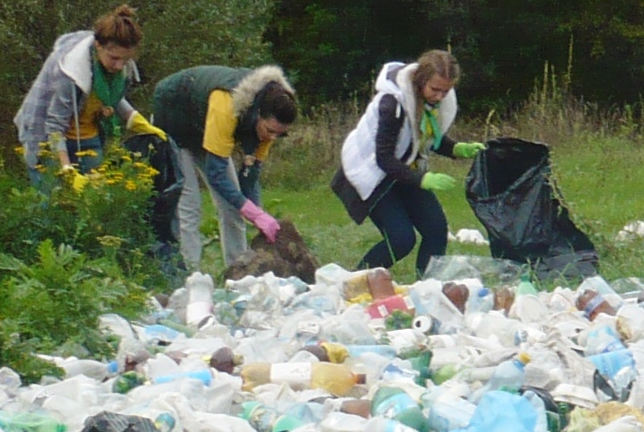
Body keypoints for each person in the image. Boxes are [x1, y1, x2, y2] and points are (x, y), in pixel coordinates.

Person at [331, 49, 482, 277]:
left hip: (403, 169)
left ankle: (427, 287)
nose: (440, 97)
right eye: (435, 90)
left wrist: (457, 148)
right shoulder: (392, 105)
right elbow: (384, 157)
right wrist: (422, 179)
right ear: (421, 81)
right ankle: (354, 281)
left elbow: (425, 138)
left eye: (446, 91)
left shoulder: (430, 102)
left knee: (436, 229)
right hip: (372, 174)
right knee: (401, 239)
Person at [151, 63, 297, 273]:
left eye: (279, 134)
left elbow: (250, 176)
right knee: (189, 206)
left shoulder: (271, 115)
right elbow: (216, 174)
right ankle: (190, 276)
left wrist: (256, 211)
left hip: (203, 127)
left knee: (232, 208)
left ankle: (238, 273)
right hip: (175, 120)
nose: (272, 137)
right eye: (269, 130)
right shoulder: (227, 104)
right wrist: (253, 213)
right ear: (258, 116)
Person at [14, 6, 152, 183]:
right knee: (53, 203)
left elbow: (109, 95)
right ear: (98, 46)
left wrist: (133, 117)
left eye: (125, 60)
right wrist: (66, 168)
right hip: (45, 137)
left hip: (88, 137)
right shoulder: (70, 71)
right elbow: (54, 125)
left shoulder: (118, 68)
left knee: (95, 199)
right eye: (114, 58)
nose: (119, 66)